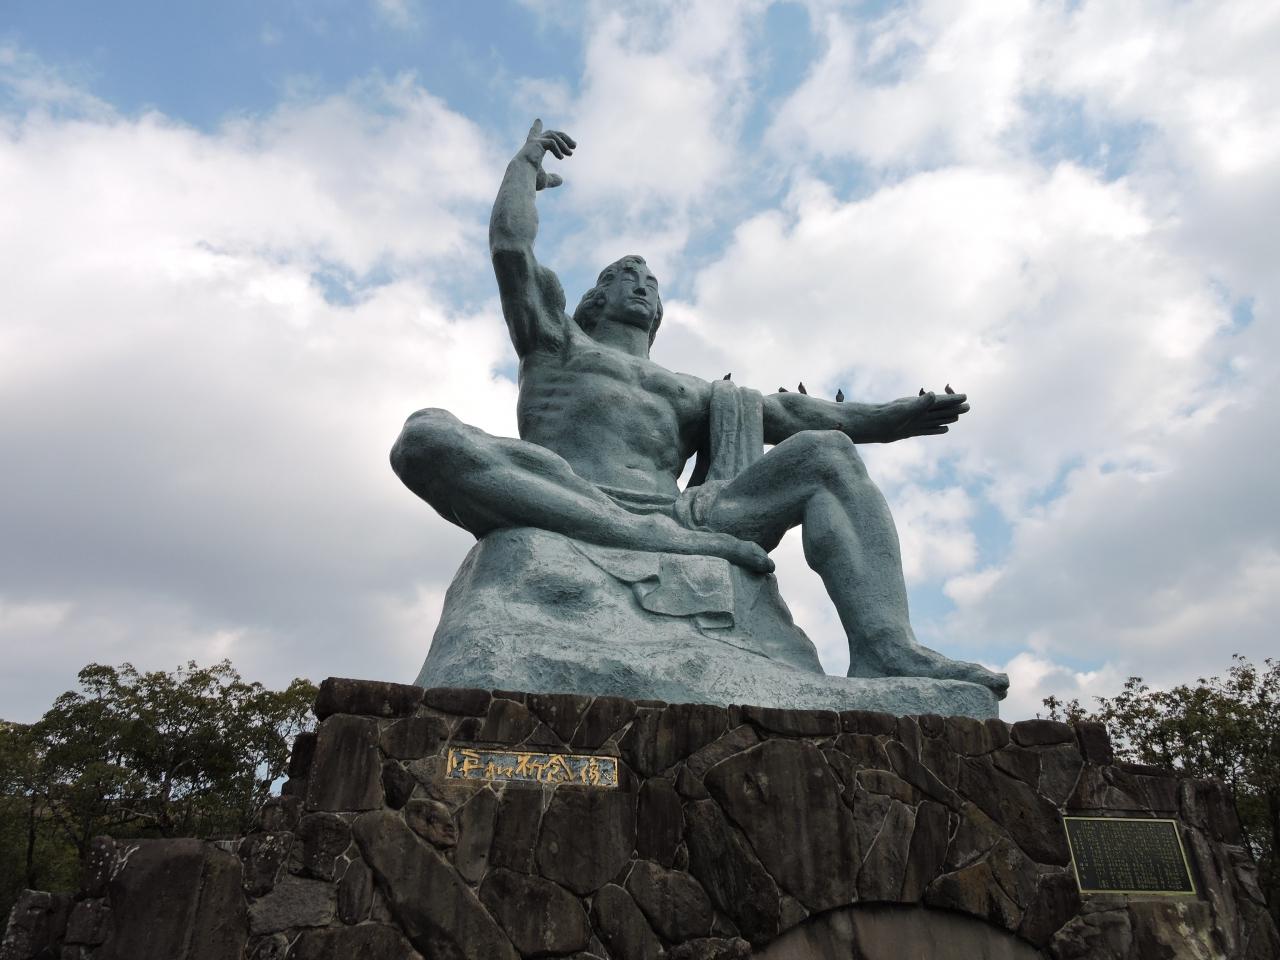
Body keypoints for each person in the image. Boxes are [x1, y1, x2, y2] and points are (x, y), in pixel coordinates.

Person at [392, 121, 1007, 696]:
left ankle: (887, 648)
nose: (643, 284)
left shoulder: (692, 391)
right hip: (571, 493)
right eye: (626, 275)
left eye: (653, 284)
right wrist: (524, 168)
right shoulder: (557, 342)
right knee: (425, 437)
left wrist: (887, 421)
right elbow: (511, 249)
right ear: (595, 298)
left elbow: (790, 415)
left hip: (688, 517)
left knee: (828, 455)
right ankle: (630, 534)